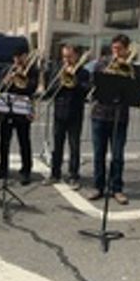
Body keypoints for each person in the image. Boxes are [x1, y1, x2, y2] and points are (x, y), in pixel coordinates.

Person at [89, 34, 132, 204]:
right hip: (100, 114)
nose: (116, 52)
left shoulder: (130, 67)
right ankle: (98, 187)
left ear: (126, 50)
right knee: (99, 154)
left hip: (119, 117)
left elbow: (134, 89)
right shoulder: (102, 62)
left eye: (120, 49)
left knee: (117, 155)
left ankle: (117, 188)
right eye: (114, 48)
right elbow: (93, 82)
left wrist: (124, 71)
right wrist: (106, 73)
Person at [45, 44, 89, 185]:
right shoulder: (58, 70)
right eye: (64, 56)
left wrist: (75, 82)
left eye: (69, 56)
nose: (66, 60)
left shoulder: (84, 72)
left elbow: (86, 91)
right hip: (59, 112)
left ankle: (73, 175)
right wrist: (60, 80)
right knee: (57, 145)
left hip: (75, 112)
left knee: (74, 146)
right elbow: (49, 90)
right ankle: (55, 174)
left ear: (76, 56)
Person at [0, 48, 37, 184]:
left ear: (26, 57)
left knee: (24, 142)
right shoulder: (7, 70)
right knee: (4, 142)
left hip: (22, 111)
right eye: (16, 57)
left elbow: (32, 88)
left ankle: (26, 170)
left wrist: (21, 77)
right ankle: (2, 168)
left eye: (21, 57)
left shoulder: (32, 71)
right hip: (7, 111)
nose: (18, 60)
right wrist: (6, 81)